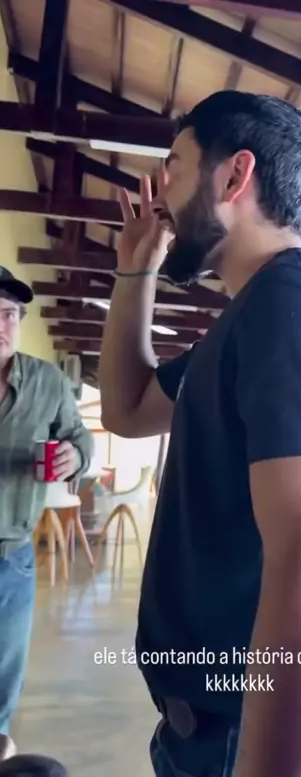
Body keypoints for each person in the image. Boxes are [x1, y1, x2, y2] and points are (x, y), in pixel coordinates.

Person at [99, 91, 301, 777]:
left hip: (248, 741)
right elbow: (127, 409)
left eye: (174, 166)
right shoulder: (246, 321)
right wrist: (136, 267)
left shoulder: (299, 300)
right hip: (206, 735)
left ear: (234, 176)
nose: (161, 191)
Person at [0, 269, 93, 761]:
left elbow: (78, 437)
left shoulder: (48, 382)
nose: (1, 326)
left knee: (4, 668)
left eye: (8, 315)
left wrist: (75, 457)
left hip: (12, 554)